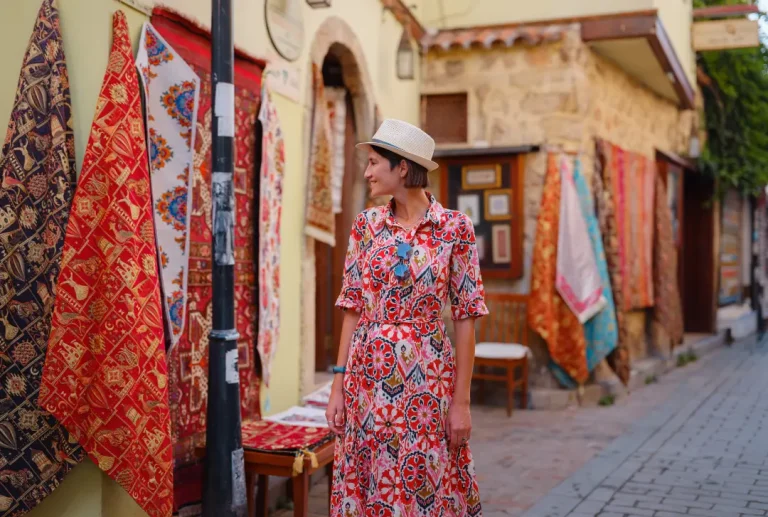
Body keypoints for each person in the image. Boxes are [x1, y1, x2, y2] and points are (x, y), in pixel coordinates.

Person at [326, 119, 488, 516]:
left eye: (374, 162)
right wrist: (337, 383)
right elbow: (352, 307)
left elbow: (467, 317)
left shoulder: (455, 229)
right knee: (370, 479)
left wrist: (461, 403)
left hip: (428, 382)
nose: (366, 172)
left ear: (402, 167)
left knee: (424, 481)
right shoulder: (366, 226)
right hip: (366, 380)